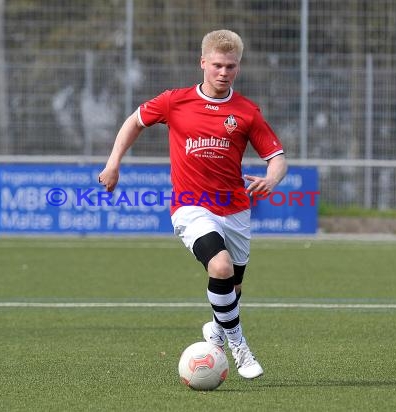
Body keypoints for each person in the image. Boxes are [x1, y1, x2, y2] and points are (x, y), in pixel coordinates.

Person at [99, 29, 287, 379]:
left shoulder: (246, 112)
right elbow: (134, 121)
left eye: (231, 66)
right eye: (217, 65)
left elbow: (276, 157)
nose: (223, 72)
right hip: (190, 207)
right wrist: (113, 164)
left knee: (233, 287)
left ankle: (216, 330)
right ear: (202, 62)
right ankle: (239, 347)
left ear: (238, 67)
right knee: (220, 267)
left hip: (235, 210)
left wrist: (272, 179)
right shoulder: (175, 101)